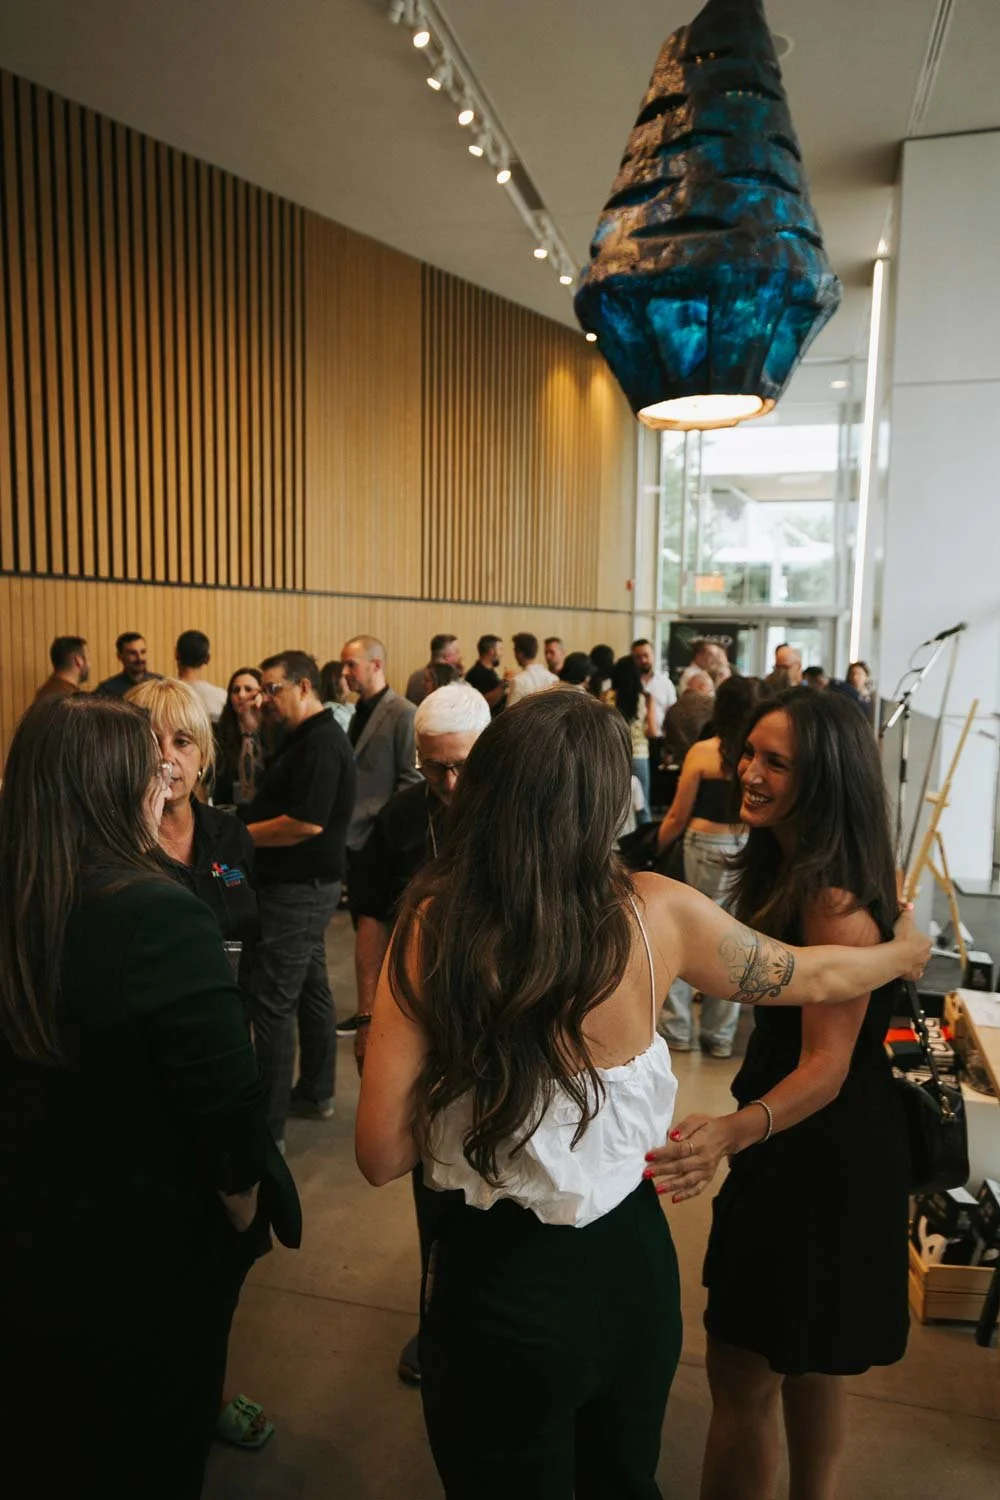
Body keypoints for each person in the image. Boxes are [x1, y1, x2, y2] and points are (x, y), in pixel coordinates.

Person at [355, 690, 929, 1499]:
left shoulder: (432, 924)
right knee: (622, 1475)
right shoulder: (658, 909)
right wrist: (901, 951)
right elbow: (815, 974)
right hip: (631, 1271)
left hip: (498, 1278)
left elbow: (380, 1152)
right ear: (604, 804)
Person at [0, 694, 298, 1500]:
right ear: (113, 788)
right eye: (148, 766)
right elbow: (229, 1131)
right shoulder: (156, 916)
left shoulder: (27, 895)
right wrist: (240, 1213)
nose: (163, 776)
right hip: (135, 1275)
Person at [647, 688, 913, 1500]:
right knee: (806, 1359)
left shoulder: (830, 896)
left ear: (823, 777)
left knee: (744, 1367)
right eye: (748, 754)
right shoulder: (803, 865)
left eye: (774, 762)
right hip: (821, 1141)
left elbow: (825, 1068)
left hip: (820, 1150)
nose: (748, 774)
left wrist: (730, 1133)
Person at [127, 677, 273, 1450]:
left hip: (228, 1053)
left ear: (205, 752)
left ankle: (207, 1385)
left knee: (227, 1246)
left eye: (181, 742)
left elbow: (253, 934)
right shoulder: (118, 843)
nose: (166, 759)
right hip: (151, 1080)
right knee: (158, 1252)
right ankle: (158, 1399)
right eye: (150, 743)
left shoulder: (229, 838)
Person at [348, 682, 491, 1387]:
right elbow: (369, 913)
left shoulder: (513, 813)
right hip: (421, 1027)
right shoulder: (404, 817)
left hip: (500, 1029)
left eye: (462, 765)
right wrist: (371, 1014)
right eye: (435, 767)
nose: (450, 782)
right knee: (433, 1182)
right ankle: (438, 1326)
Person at [243, 651, 356, 1147]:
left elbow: (305, 823)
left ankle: (266, 1132)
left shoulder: (323, 744)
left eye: (273, 688)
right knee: (310, 989)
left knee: (271, 1005)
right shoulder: (302, 737)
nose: (265, 698)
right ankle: (314, 1091)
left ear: (304, 686)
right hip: (302, 887)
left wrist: (238, 837)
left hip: (299, 890)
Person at [656, 677, 762, 1057]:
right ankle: (719, 1036)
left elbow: (677, 815)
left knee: (683, 935)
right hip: (746, 846)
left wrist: (656, 846)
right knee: (735, 941)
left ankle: (677, 1030)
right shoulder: (759, 755)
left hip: (701, 846)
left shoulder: (702, 752)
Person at [338, 635, 421, 1037]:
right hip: (355, 842)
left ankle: (389, 1017)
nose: (344, 673)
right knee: (364, 933)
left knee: (387, 935)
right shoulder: (356, 712)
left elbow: (411, 778)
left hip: (381, 838)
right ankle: (370, 1010)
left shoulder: (403, 712)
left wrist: (384, 826)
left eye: (350, 665)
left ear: (375, 664)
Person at [610, 653, 658, 821]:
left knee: (613, 804)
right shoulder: (645, 699)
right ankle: (644, 843)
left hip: (613, 755)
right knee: (642, 807)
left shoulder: (606, 698)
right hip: (639, 755)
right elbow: (653, 731)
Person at [215, 668, 266, 808]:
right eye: (236, 690)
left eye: (248, 689)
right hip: (227, 808)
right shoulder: (220, 731)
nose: (241, 695)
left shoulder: (271, 730)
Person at [661, 669, 715, 764]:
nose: (711, 694)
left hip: (679, 764)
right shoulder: (711, 705)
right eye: (711, 690)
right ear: (703, 687)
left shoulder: (674, 708)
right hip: (706, 761)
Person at [96, 631, 161, 697]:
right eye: (132, 653)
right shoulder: (106, 690)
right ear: (119, 656)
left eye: (143, 652)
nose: (140, 658)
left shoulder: (161, 686)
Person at [632, 637, 676, 731]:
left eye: (646, 655)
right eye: (638, 657)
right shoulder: (627, 684)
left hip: (659, 739)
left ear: (653, 655)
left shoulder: (666, 683)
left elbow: (672, 714)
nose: (643, 660)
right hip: (634, 738)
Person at [406, 634, 463, 706]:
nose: (460, 656)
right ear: (447, 657)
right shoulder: (454, 679)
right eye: (457, 652)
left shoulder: (414, 678)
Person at [506, 632, 558, 704]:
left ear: (519, 652)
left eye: (514, 650)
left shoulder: (518, 681)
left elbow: (510, 711)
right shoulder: (553, 678)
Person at [34, 635, 90, 700]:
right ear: (79, 661)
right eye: (88, 659)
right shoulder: (70, 699)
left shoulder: (45, 690)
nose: (89, 664)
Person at [465, 634, 508, 715]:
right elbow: (484, 702)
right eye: (500, 649)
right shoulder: (477, 674)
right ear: (492, 651)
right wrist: (504, 683)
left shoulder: (490, 672)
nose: (501, 654)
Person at [319, 660, 355, 735]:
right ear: (334, 680)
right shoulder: (330, 712)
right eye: (345, 676)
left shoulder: (351, 707)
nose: (350, 679)